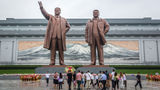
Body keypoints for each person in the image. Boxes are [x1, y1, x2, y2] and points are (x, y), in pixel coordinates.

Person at [38, 1, 70, 65]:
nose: (57, 11)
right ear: (54, 11)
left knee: (61, 50)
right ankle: (52, 61)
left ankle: (62, 62)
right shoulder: (51, 17)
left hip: (60, 37)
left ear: (60, 11)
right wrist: (41, 7)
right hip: (53, 37)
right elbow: (45, 14)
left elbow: (68, 27)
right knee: (53, 50)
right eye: (55, 10)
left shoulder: (64, 19)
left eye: (58, 10)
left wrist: (63, 32)